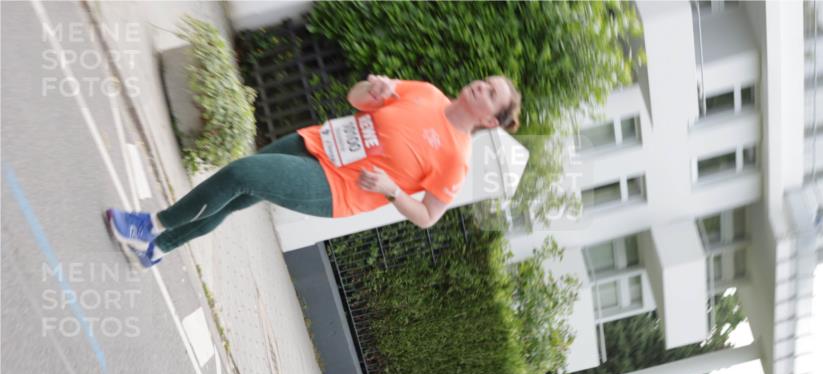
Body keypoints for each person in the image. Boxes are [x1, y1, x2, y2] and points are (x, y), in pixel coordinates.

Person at [106, 73, 521, 267]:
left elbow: (428, 217)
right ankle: (160, 249)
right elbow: (357, 98)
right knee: (239, 195)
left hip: (337, 189)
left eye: (490, 93)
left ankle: (150, 226)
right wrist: (372, 88)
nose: (481, 87)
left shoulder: (456, 160)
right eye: (486, 81)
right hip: (317, 143)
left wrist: (394, 190)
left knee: (241, 174)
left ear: (489, 120)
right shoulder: (427, 93)